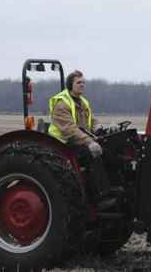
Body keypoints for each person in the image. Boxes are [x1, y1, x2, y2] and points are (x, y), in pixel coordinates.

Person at [48, 70, 114, 207]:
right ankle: (100, 197)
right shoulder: (62, 104)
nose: (82, 85)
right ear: (70, 85)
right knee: (91, 154)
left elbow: (91, 121)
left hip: (79, 140)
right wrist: (89, 142)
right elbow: (70, 129)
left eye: (83, 82)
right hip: (63, 144)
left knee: (108, 149)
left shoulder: (83, 102)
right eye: (79, 82)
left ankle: (113, 188)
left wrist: (100, 127)